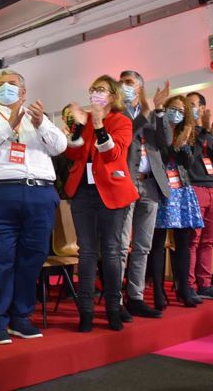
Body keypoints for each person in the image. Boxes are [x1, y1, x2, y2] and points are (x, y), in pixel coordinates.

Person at [0, 69, 66, 345]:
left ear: (23, 92)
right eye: (1, 84)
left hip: (39, 194)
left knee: (32, 258)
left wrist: (41, 124)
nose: (5, 88)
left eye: (12, 84)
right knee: (0, 261)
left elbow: (60, 147)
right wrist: (7, 125)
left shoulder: (39, 118)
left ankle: (20, 317)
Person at [64, 75, 138, 333]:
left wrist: (97, 125)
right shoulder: (83, 120)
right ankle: (85, 311)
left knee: (111, 250)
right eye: (93, 88)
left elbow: (112, 154)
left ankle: (113, 309)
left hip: (112, 192)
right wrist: (75, 128)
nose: (95, 93)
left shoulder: (122, 121)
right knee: (86, 252)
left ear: (113, 95)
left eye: (102, 90)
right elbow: (72, 154)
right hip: (83, 193)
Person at [117, 71, 172, 319]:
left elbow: (165, 140)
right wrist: (146, 112)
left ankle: (136, 296)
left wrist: (159, 110)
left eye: (129, 83)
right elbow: (125, 138)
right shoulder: (115, 111)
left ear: (140, 86)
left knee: (143, 246)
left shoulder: (152, 110)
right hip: (126, 182)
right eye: (122, 83)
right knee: (119, 246)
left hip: (150, 184)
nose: (124, 86)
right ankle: (115, 299)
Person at [150, 95, 205, 309]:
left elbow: (190, 164)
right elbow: (159, 157)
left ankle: (184, 289)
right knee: (157, 243)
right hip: (161, 188)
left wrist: (185, 144)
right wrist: (175, 145)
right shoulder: (157, 129)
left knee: (183, 242)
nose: (177, 113)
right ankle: (158, 291)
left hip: (182, 189)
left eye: (182, 111)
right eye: (173, 108)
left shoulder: (187, 132)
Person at [185, 92, 213, 301]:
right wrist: (202, 134)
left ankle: (205, 284)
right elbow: (189, 158)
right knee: (193, 240)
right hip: (194, 188)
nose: (191, 108)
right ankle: (189, 286)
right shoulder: (184, 131)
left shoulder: (208, 131)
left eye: (194, 105)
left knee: (208, 241)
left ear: (203, 108)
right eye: (187, 105)